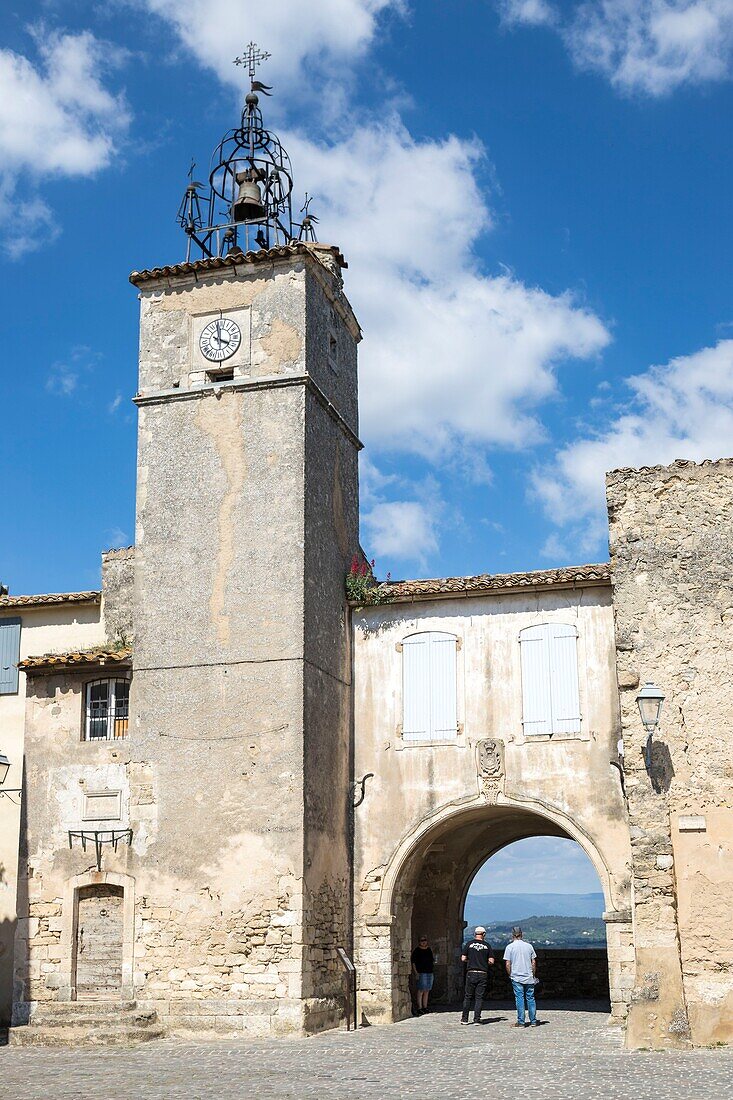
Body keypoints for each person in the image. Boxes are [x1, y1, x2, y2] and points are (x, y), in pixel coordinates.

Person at [504, 926, 539, 1027]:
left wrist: (510, 975)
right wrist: (534, 975)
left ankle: (521, 1022)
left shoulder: (509, 947)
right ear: (522, 934)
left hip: (516, 977)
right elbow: (533, 962)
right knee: (531, 998)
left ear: (512, 935)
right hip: (528, 976)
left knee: (519, 998)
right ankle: (533, 1021)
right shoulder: (529, 946)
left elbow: (507, 963)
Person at [460, 926, 495, 1024]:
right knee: (479, 997)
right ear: (484, 934)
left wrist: (470, 960)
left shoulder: (469, 944)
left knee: (468, 996)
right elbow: (491, 961)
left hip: (471, 972)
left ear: (474, 934)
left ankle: (465, 1018)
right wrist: (484, 962)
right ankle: (476, 1019)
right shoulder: (487, 945)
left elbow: (463, 958)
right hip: (482, 973)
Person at [411, 934, 435, 1015]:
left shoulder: (429, 950)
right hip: (421, 972)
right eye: (422, 940)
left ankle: (425, 1007)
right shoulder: (417, 951)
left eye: (425, 940)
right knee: (421, 990)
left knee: (427, 990)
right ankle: (419, 1007)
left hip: (429, 972)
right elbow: (413, 962)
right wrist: (416, 973)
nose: (424, 942)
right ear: (419, 942)